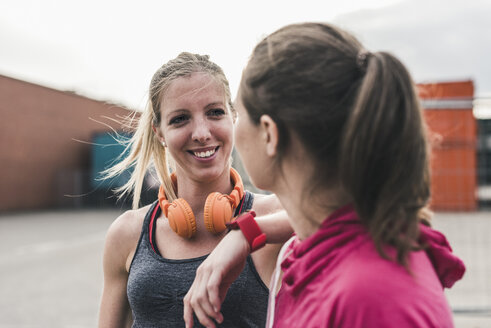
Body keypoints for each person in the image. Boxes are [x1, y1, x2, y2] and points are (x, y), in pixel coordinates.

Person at [184, 22, 466, 328]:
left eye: (237, 112)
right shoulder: (314, 247)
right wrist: (245, 233)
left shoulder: (372, 300)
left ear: (269, 134)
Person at [97, 52, 292, 328]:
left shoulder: (274, 217)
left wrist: (246, 235)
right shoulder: (126, 232)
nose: (201, 132)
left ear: (232, 117)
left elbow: (354, 215)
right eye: (180, 119)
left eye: (215, 112)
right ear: (159, 132)